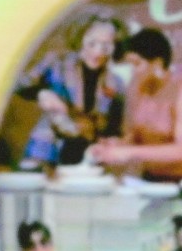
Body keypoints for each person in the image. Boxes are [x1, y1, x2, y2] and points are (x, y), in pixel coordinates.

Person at [88, 28, 182, 179]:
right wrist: (116, 145)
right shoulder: (138, 89)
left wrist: (128, 152)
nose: (133, 71)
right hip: (150, 179)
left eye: (137, 64)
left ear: (157, 64)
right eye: (130, 65)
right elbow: (137, 138)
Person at [19, 15, 124, 167]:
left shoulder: (117, 83)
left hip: (87, 159)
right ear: (80, 39)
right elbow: (19, 84)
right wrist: (41, 93)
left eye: (106, 46)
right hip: (45, 150)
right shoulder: (56, 62)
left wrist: (112, 141)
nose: (98, 52)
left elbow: (114, 129)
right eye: (92, 43)